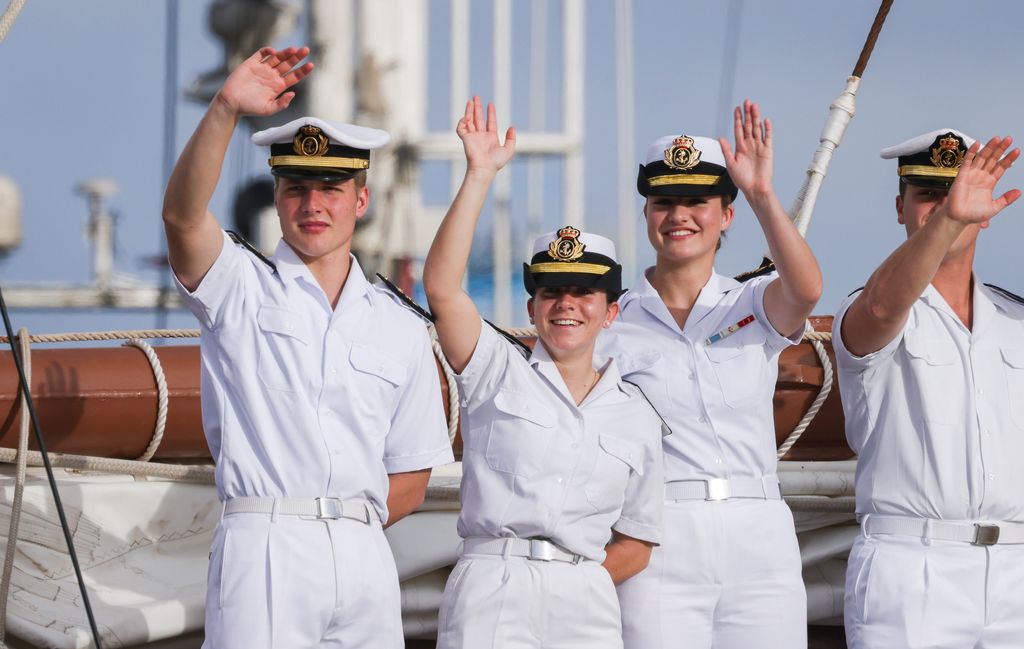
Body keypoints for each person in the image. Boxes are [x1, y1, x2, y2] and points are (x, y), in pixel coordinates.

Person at [162, 46, 453, 648]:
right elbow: (182, 218)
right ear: (278, 197)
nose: (313, 204)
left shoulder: (399, 326)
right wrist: (223, 108)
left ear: (360, 200)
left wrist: (344, 523)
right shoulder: (238, 287)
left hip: (365, 550)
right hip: (266, 544)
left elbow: (413, 474)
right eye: (296, 188)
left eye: (332, 187)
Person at [424, 96, 664, 649]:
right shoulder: (495, 370)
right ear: (532, 307)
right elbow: (441, 287)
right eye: (551, 291)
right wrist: (480, 174)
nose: (566, 305)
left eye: (584, 292)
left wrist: (576, 582)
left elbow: (640, 538)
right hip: (493, 585)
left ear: (612, 311)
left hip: (585, 596)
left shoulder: (636, 414)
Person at [599, 101, 822, 649]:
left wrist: (763, 194)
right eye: (664, 202)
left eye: (697, 201)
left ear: (726, 214)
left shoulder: (752, 302)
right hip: (660, 534)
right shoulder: (611, 323)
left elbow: (807, 290)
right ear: (648, 214)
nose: (680, 216)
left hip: (759, 532)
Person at [833, 129, 1024, 649]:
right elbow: (879, 311)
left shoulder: (1016, 320)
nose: (947, 208)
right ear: (901, 208)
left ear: (988, 212)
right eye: (930, 196)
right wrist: (950, 220)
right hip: (913, 571)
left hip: (1015, 571)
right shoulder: (876, 307)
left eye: (959, 196)